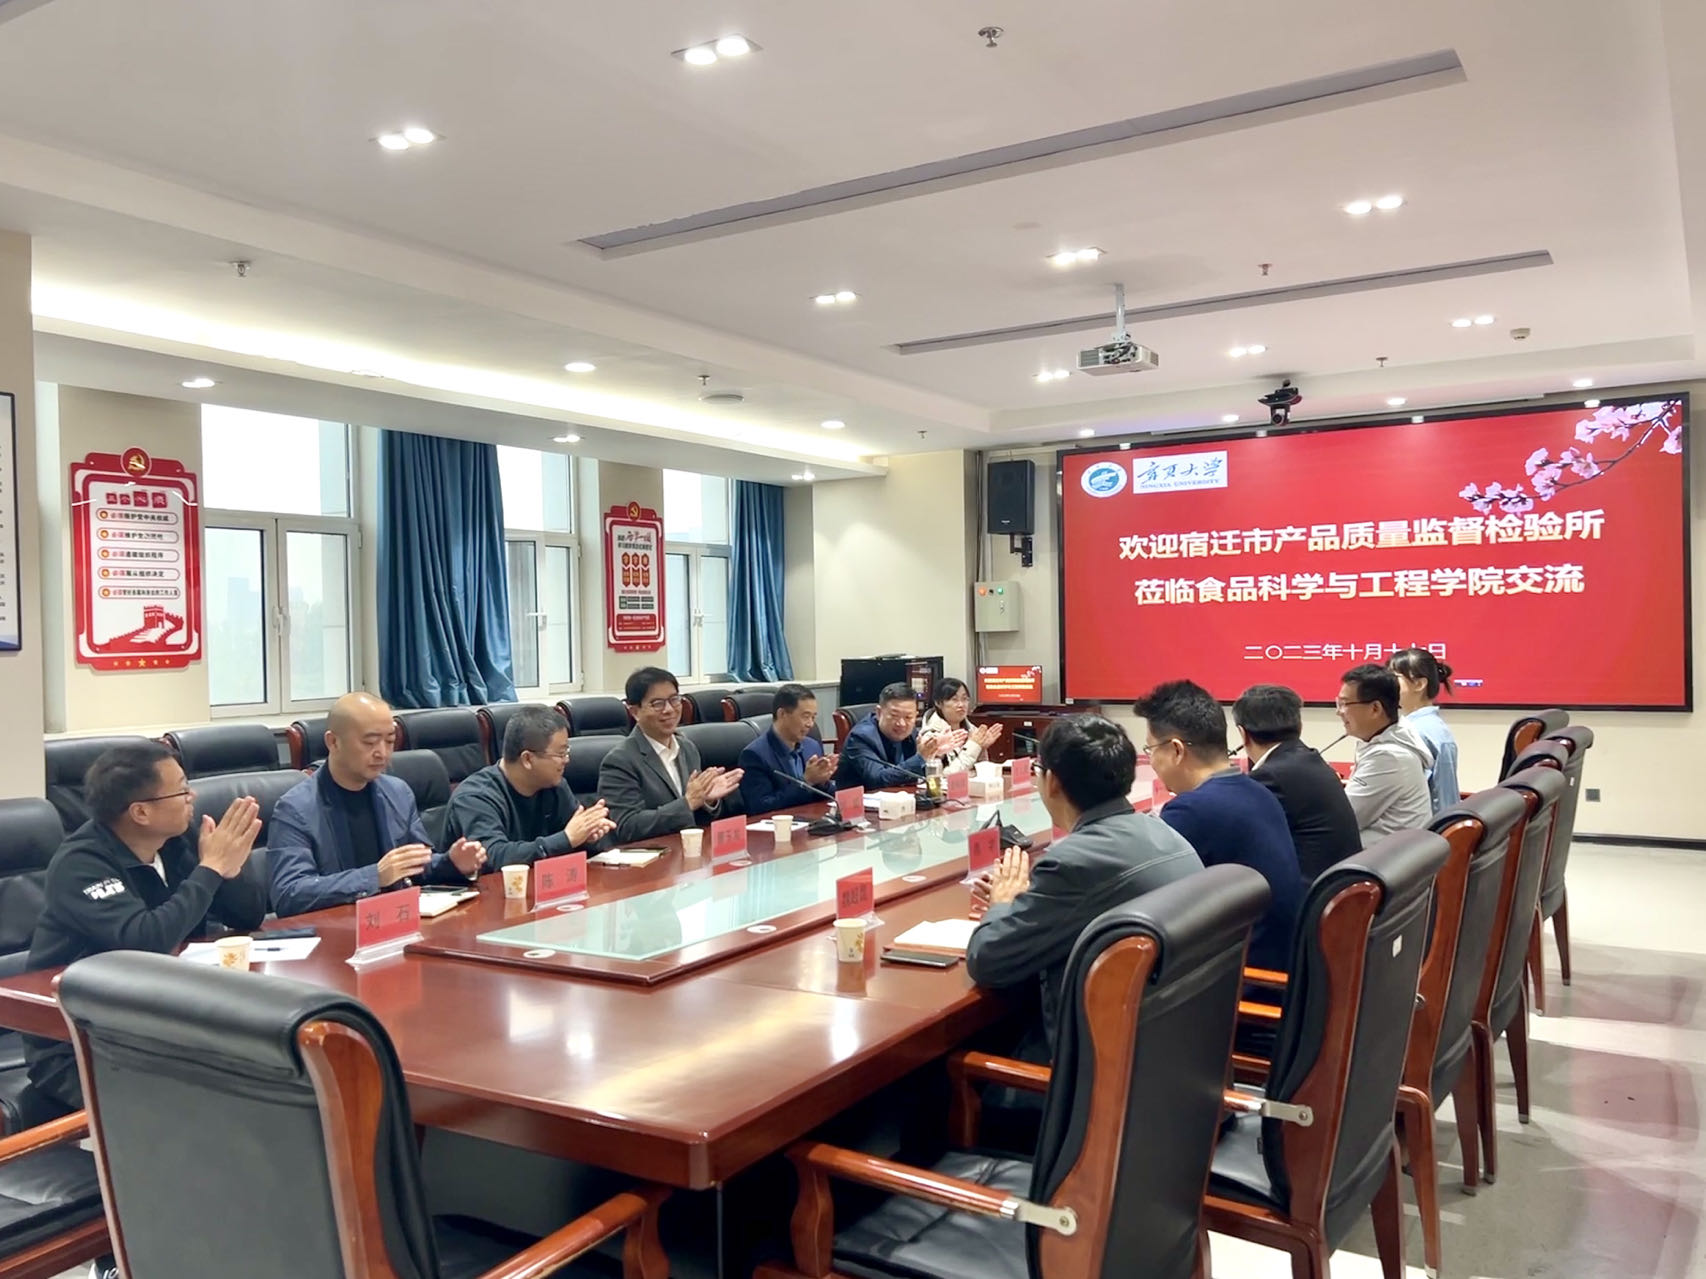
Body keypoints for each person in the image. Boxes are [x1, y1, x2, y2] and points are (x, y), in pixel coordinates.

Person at [24, 741, 267, 1117]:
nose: (192, 797)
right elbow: (146, 942)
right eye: (181, 790)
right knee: (205, 1104)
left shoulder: (176, 840)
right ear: (140, 812)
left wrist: (230, 871)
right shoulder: (81, 863)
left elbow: (248, 916)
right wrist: (210, 870)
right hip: (80, 1040)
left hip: (162, 1019)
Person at [966, 714, 1203, 1055]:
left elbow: (988, 961)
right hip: (1172, 1050)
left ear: (1052, 782)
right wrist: (1033, 901)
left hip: (1098, 1064)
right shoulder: (1165, 832)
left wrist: (1003, 903)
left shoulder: (1072, 863)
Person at [1136, 680, 1305, 973]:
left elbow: (1143, 893)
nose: (1151, 761)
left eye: (1150, 749)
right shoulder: (1256, 791)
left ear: (1176, 750)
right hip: (1280, 963)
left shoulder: (1192, 810)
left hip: (1246, 980)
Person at [270, 692, 487, 916]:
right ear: (333, 742)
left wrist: (453, 863)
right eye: (370, 742)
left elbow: (416, 866)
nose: (382, 753)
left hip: (395, 922)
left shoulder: (397, 792)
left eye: (390, 742)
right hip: (336, 930)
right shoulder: (296, 809)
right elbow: (290, 894)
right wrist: (375, 876)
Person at [443, 705, 616, 868]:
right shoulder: (475, 797)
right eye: (561, 753)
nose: (567, 760)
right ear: (527, 759)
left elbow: (572, 839)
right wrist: (566, 838)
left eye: (567, 752)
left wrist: (587, 837)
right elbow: (493, 857)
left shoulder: (554, 786)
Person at [1232, 684, 1362, 882]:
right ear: (1299, 727)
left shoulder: (1270, 777)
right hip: (1337, 885)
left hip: (1311, 893)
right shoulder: (1309, 759)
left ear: (1243, 734)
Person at [600, 667, 743, 843]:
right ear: (635, 712)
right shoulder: (620, 761)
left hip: (687, 849)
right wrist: (687, 803)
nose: (669, 710)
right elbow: (627, 827)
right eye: (657, 703)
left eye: (674, 700)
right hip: (650, 855)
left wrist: (706, 801)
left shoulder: (687, 748)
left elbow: (695, 819)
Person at [1337, 663, 1435, 846]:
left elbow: (1343, 820)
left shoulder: (1389, 757)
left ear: (1375, 708)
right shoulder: (1387, 739)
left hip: (1386, 860)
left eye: (1344, 704)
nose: (1339, 712)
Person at [737, 683, 842, 816]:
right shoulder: (754, 755)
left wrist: (823, 783)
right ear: (782, 714)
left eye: (813, 717)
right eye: (805, 716)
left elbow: (826, 796)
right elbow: (760, 807)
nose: (810, 724)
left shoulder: (812, 746)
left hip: (813, 820)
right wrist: (807, 782)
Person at [833, 683, 962, 791]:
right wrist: (921, 757)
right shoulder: (861, 737)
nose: (901, 723)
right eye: (894, 716)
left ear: (915, 715)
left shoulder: (911, 733)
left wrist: (935, 753)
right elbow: (878, 779)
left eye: (908, 717)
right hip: (859, 807)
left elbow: (916, 773)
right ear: (879, 713)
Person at [1390, 648, 1461, 813]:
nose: (1386, 685)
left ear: (1419, 684)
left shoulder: (1411, 732)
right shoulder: (1435, 726)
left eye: (1394, 678)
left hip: (1423, 824)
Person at [920, 677, 1002, 773]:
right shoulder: (931, 736)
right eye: (954, 699)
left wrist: (981, 748)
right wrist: (974, 746)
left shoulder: (972, 730)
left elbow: (979, 772)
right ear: (938, 703)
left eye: (964, 699)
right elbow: (947, 775)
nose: (961, 705)